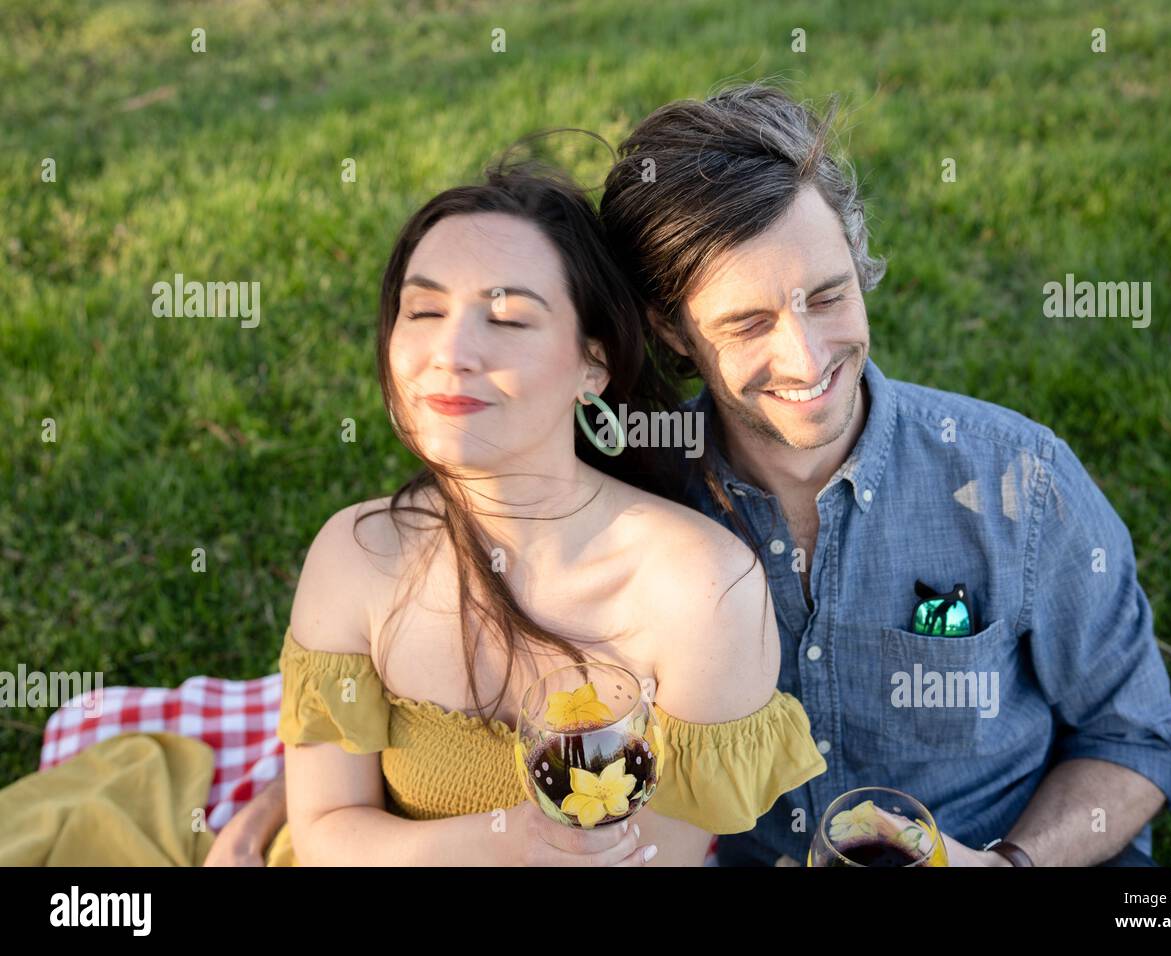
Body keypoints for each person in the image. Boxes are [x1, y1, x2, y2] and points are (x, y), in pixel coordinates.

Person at [0, 154, 828, 866]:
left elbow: (660, 858)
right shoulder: (359, 557)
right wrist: (510, 839)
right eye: (423, 310)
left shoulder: (701, 590)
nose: (448, 353)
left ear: (593, 364)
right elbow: (328, 833)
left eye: (506, 318)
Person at [596, 82, 1171, 866]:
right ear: (670, 329)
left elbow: (1137, 739)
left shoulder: (1019, 478)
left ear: (858, 262)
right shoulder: (631, 498)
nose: (808, 358)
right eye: (749, 323)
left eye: (829, 296)